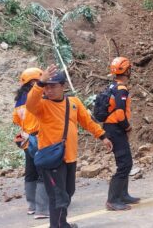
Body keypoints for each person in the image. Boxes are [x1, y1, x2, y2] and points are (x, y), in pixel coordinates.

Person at [27, 65, 112, 228]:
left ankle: (62, 222)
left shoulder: (73, 103)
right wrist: (40, 83)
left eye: (53, 86)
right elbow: (30, 104)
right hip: (51, 159)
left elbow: (87, 121)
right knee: (58, 197)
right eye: (47, 87)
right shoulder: (42, 106)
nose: (48, 91)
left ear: (63, 86)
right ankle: (58, 226)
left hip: (69, 157)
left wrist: (102, 136)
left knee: (67, 192)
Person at [13, 68, 49, 220]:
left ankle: (32, 206)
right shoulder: (37, 96)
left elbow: (16, 120)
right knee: (43, 172)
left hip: (26, 140)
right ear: (35, 81)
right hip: (39, 138)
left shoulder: (19, 99)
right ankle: (42, 209)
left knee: (31, 172)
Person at [104, 57, 140, 211]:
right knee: (124, 164)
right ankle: (112, 200)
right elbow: (119, 113)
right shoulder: (121, 89)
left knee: (126, 162)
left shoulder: (112, 86)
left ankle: (123, 195)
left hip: (111, 127)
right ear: (127, 70)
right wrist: (127, 127)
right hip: (116, 128)